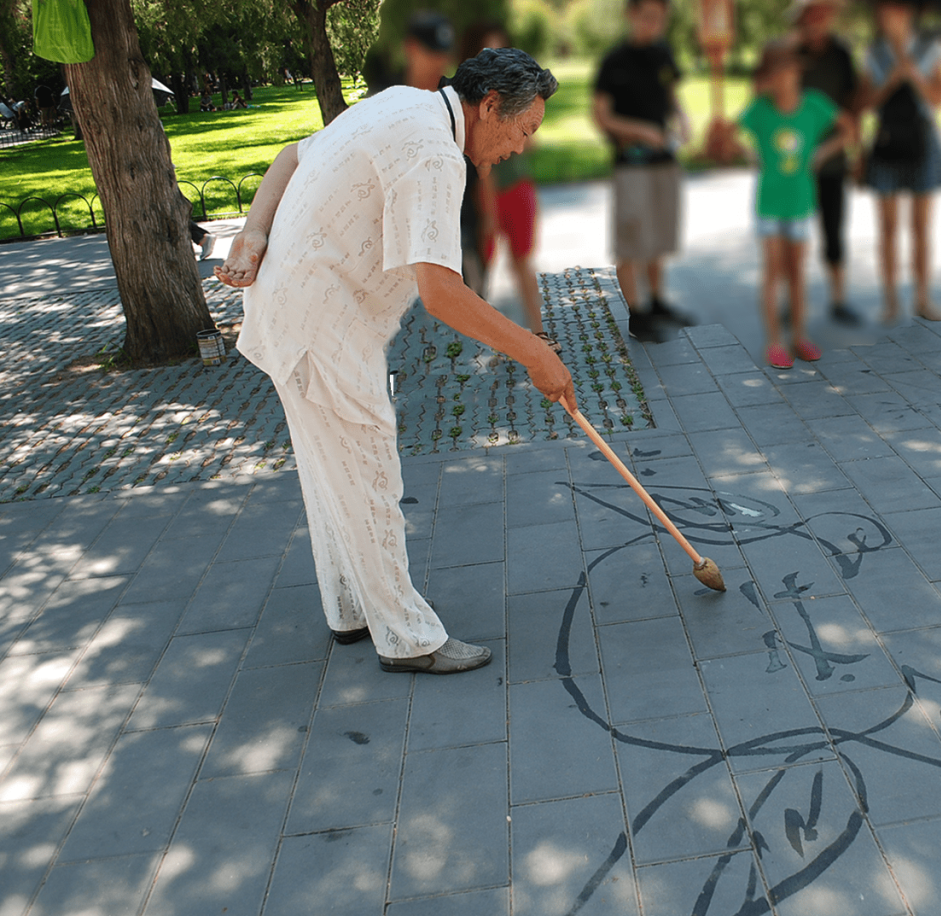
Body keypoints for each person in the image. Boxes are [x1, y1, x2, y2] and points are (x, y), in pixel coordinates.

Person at [214, 48, 573, 675]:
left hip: (296, 313)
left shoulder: (407, 102)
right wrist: (533, 351)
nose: (521, 145)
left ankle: (351, 608)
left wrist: (254, 232)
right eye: (524, 128)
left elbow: (293, 155)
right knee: (369, 472)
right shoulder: (436, 155)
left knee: (333, 473)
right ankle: (408, 639)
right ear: (489, 107)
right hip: (320, 328)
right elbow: (441, 293)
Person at [724, 41, 852, 369]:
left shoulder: (814, 106)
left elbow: (847, 128)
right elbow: (728, 136)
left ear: (798, 73)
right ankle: (774, 343)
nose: (785, 78)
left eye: (791, 70)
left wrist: (824, 153)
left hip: (800, 203)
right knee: (773, 271)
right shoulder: (760, 110)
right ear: (769, 77)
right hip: (769, 204)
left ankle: (799, 337)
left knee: (797, 272)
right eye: (778, 71)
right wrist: (748, 152)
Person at [593, 0, 694, 343]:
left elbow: (671, 93)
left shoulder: (663, 52)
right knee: (632, 240)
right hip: (631, 165)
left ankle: (658, 303)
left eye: (660, 19)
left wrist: (682, 118)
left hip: (664, 160)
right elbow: (601, 116)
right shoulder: (613, 62)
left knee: (659, 234)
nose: (655, 25)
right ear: (631, 15)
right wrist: (641, 132)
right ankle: (637, 315)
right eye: (648, 17)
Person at [462, 20, 561, 352]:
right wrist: (487, 209)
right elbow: (478, 164)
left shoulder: (520, 98)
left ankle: (538, 332)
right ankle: (480, 339)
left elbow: (531, 145)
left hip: (517, 188)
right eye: (486, 52)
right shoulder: (472, 103)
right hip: (486, 194)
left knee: (522, 263)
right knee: (482, 267)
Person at [861, 0, 941, 323]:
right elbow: (865, 102)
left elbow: (940, 98)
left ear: (908, 13)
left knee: (921, 227)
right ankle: (890, 302)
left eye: (894, 11)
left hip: (922, 139)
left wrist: (912, 73)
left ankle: (922, 299)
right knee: (886, 227)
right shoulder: (872, 53)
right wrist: (890, 79)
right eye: (883, 12)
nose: (888, 18)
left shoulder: (930, 49)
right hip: (887, 139)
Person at [790, 0, 862, 326]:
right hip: (792, 164)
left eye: (823, 15)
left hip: (832, 160)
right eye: (810, 16)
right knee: (792, 235)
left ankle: (838, 299)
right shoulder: (789, 54)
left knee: (833, 232)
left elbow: (853, 111)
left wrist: (850, 150)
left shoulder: (842, 55)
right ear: (800, 20)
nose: (817, 22)